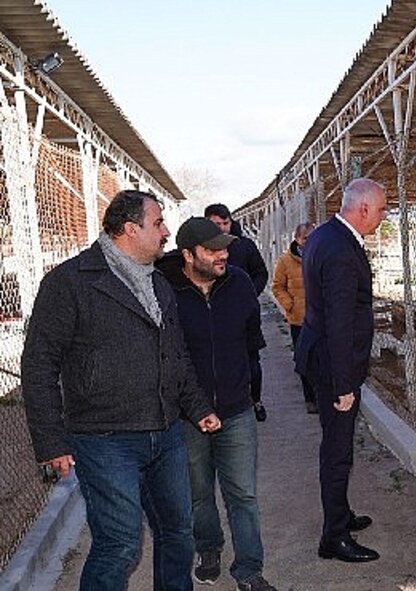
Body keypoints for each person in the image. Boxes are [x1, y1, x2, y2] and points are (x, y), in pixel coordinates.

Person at [21, 190, 221, 591]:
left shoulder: (159, 283)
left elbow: (175, 355)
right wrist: (51, 441)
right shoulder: (70, 282)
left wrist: (197, 406)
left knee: (178, 533)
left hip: (165, 433)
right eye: (159, 223)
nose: (166, 232)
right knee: (120, 544)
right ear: (131, 229)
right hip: (105, 439)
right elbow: (39, 364)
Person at [156, 218, 275, 591]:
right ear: (189, 255)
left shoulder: (238, 283)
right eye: (212, 250)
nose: (223, 254)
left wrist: (252, 394)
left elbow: (251, 343)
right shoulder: (164, 289)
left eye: (224, 247)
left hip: (237, 408)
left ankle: (249, 569)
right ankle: (209, 547)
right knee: (198, 492)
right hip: (187, 414)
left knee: (243, 493)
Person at [296, 178, 387, 563]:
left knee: (337, 446)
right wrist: (344, 384)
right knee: (337, 452)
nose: (384, 216)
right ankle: (333, 537)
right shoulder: (340, 250)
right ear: (363, 209)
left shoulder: (324, 236)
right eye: (382, 209)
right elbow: (338, 321)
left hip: (320, 356)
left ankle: (341, 514)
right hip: (334, 365)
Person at [205, 203, 269, 422]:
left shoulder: (245, 246)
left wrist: (249, 294)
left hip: (245, 315)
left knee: (252, 362)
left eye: (225, 223)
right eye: (217, 224)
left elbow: (261, 273)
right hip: (214, 316)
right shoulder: (201, 249)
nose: (223, 228)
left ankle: (256, 400)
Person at [271, 222, 317, 414]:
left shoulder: (320, 255)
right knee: (304, 360)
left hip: (320, 318)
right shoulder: (285, 261)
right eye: (305, 238)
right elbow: (277, 286)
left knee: (322, 359)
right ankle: (310, 398)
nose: (308, 242)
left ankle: (322, 395)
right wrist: (290, 305)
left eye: (311, 237)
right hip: (299, 320)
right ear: (297, 239)